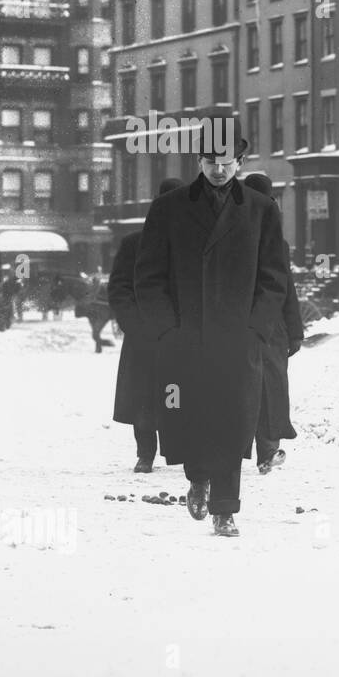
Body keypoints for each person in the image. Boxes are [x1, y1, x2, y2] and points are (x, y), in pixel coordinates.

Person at [134, 126, 290, 538]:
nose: (218, 170)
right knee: (188, 416)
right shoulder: (169, 208)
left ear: (240, 163)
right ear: (197, 163)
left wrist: (257, 327)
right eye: (210, 163)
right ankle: (197, 477)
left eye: (226, 164)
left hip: (239, 339)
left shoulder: (261, 210)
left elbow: (275, 277)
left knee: (235, 421)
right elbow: (147, 276)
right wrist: (166, 327)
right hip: (185, 338)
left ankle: (225, 508)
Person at [109, 177, 184, 472]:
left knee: (177, 395)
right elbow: (119, 288)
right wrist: (134, 323)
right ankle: (145, 453)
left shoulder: (194, 246)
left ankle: (179, 450)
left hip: (181, 337)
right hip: (144, 337)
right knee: (143, 397)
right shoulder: (133, 244)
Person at [242, 173, 303, 473]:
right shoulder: (233, 234)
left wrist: (295, 331)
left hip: (272, 329)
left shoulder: (278, 242)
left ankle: (267, 451)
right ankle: (242, 451)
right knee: (249, 389)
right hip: (243, 325)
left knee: (271, 388)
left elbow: (286, 287)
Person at [83, 271, 112, 352]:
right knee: (96, 332)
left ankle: (100, 345)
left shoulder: (102, 286)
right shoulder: (92, 290)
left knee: (95, 333)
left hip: (104, 308)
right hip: (96, 308)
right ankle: (99, 346)